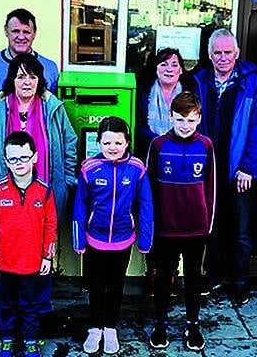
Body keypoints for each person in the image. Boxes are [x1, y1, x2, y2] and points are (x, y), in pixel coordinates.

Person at [0, 52, 76, 328]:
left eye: (32, 76)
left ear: (40, 79)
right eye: (20, 76)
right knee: (5, 253)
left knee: (42, 250)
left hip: (42, 196)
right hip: (5, 197)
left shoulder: (52, 106)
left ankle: (40, 311)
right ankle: (2, 314)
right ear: (12, 80)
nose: (27, 81)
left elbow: (69, 143)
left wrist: (65, 180)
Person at [193, 28, 257, 305]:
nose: (223, 57)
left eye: (228, 52)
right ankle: (212, 276)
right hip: (208, 170)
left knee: (241, 230)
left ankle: (239, 281)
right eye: (218, 53)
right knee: (210, 227)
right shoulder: (199, 81)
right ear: (209, 55)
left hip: (240, 170)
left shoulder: (252, 83)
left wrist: (249, 167)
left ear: (237, 54)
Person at [73, 117, 153, 355]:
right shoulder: (89, 168)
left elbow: (146, 205)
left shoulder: (137, 168)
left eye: (118, 142)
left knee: (116, 284)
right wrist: (78, 239)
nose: (113, 147)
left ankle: (110, 327)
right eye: (107, 142)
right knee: (96, 285)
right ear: (98, 142)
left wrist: (145, 239)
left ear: (127, 142)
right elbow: (80, 206)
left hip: (122, 239)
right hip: (94, 239)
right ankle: (95, 327)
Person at [147, 92, 215, 351]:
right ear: (170, 118)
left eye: (190, 120)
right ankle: (161, 324)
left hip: (196, 228)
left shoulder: (206, 145)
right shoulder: (158, 145)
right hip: (165, 228)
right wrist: (150, 223)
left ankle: (192, 324)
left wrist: (208, 224)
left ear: (198, 118)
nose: (184, 126)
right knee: (163, 277)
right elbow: (148, 189)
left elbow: (211, 188)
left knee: (194, 279)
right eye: (179, 120)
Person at [0, 131, 57, 357]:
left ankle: (31, 340)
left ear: (34, 157)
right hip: (4, 263)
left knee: (30, 304)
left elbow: (51, 225)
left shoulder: (44, 191)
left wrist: (47, 256)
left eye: (24, 157)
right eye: (13, 159)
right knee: (5, 303)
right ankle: (6, 338)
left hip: (33, 263)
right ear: (5, 161)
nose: (19, 163)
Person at [135, 47, 193, 296]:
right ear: (155, 68)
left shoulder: (190, 93)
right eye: (163, 64)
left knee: (177, 218)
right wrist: (162, 140)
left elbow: (195, 125)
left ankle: (172, 273)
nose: (169, 69)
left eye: (174, 64)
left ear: (181, 68)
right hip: (151, 164)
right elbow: (137, 125)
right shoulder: (145, 92)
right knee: (152, 217)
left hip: (182, 167)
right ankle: (154, 273)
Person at [0, 8, 59, 99]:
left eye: (26, 32)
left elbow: (52, 108)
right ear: (6, 31)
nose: (21, 37)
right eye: (15, 31)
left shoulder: (50, 68)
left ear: (34, 33)